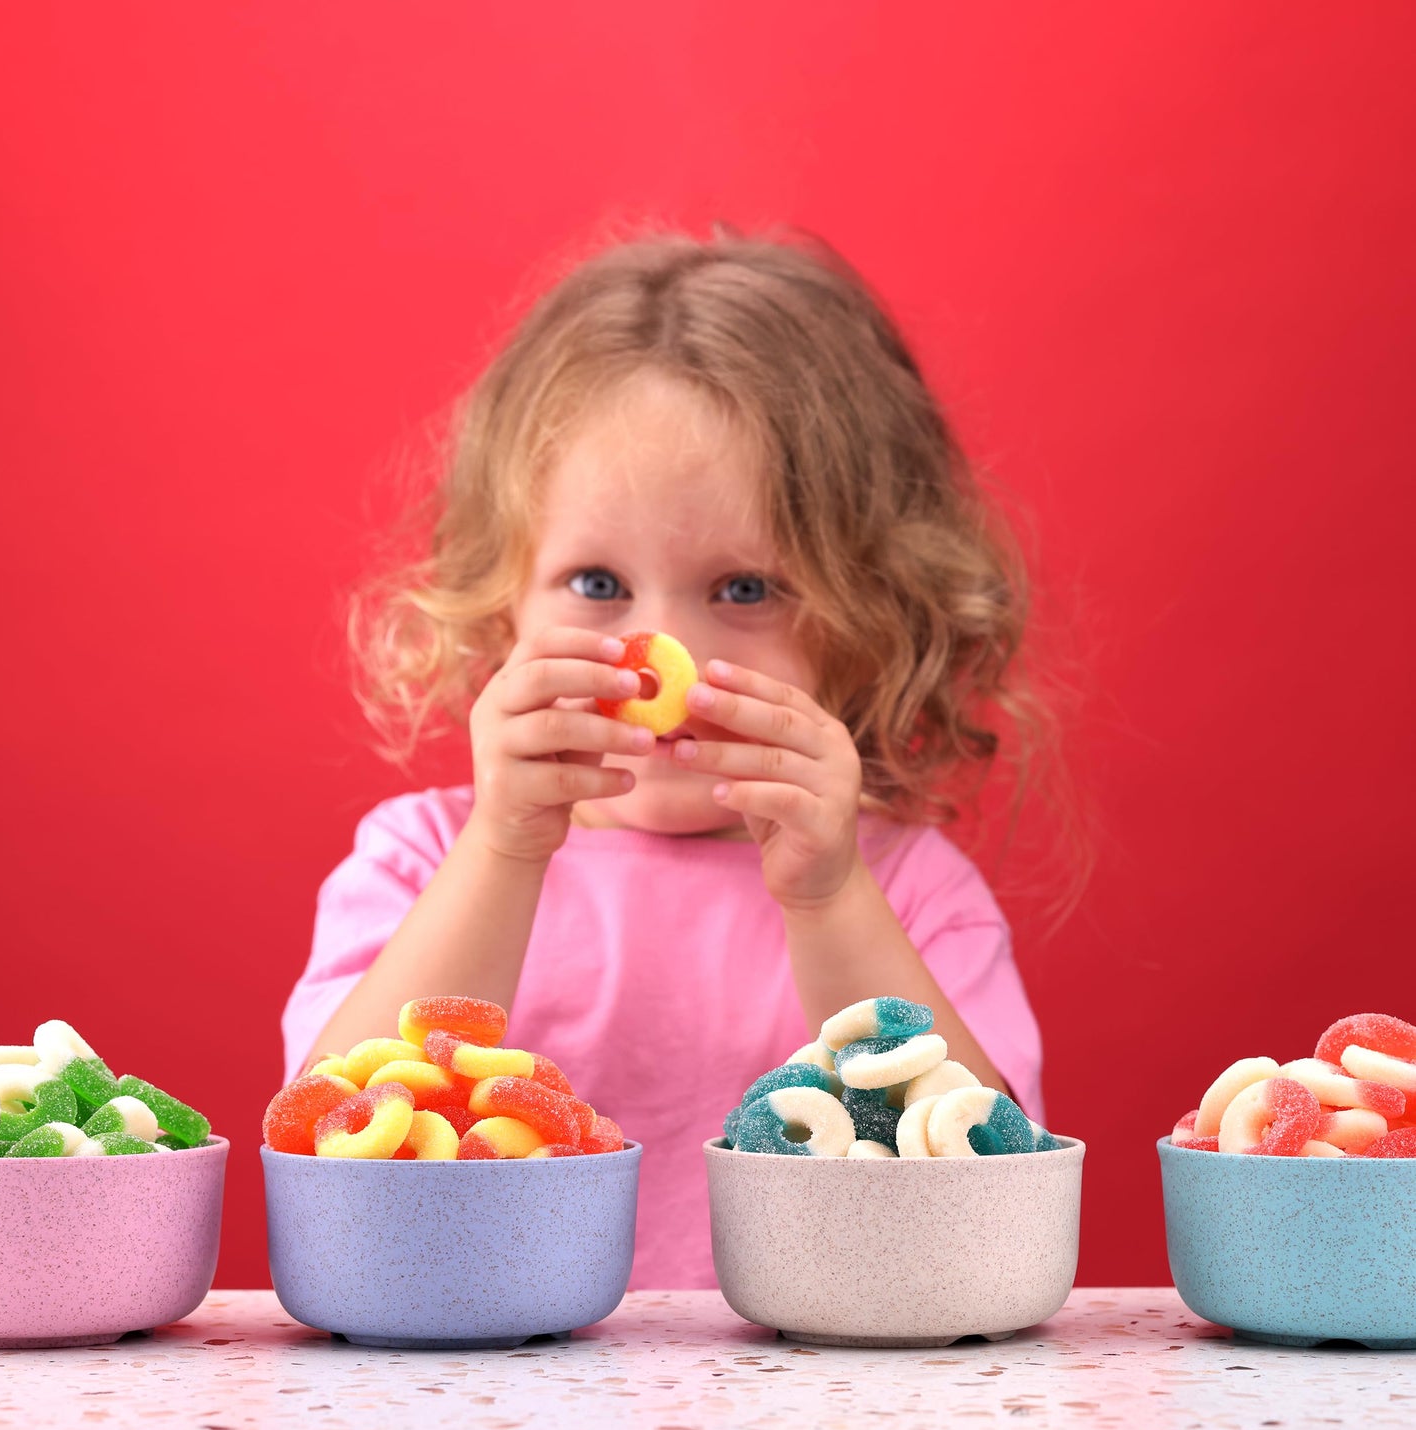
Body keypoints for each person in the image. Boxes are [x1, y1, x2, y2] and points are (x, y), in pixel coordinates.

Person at [282, 228, 1063, 1287]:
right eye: (596, 584)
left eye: (743, 589)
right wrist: (505, 849)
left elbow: (987, 1186)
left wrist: (829, 896)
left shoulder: (906, 891)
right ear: (499, 596)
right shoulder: (420, 859)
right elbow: (328, 1135)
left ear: (864, 615)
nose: (668, 659)